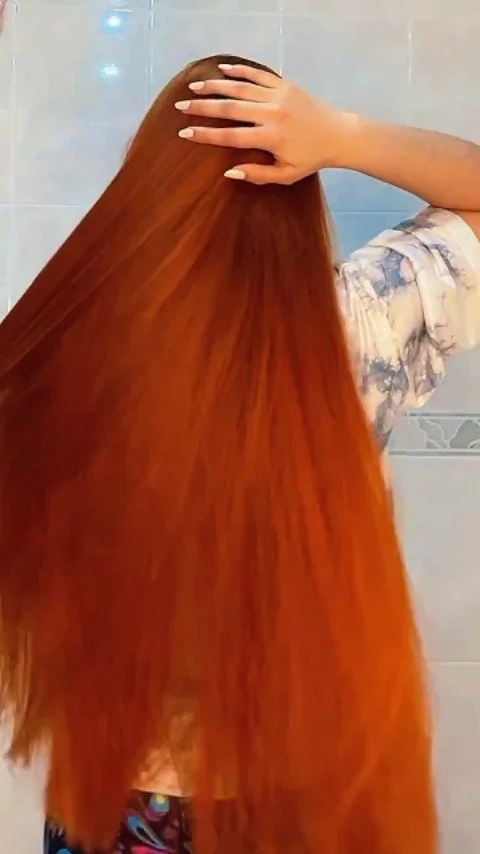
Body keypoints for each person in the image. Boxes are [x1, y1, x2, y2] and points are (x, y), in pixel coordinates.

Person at [0, 52, 477, 854]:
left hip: (116, 798)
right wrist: (342, 136)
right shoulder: (357, 327)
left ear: (142, 191)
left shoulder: (70, 348)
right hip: (300, 787)